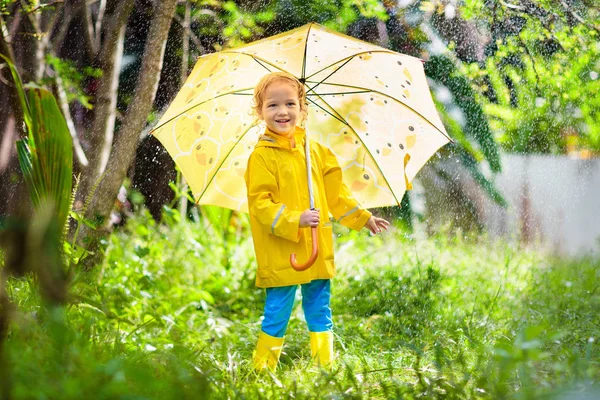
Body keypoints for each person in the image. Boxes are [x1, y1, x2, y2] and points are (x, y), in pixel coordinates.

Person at [244, 72, 389, 371]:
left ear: (302, 107)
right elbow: (260, 203)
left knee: (320, 308)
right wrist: (296, 219)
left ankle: (325, 367)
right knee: (278, 311)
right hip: (282, 250)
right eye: (272, 106)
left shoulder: (317, 151)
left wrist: (364, 218)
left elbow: (338, 196)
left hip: (317, 247)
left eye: (290, 104)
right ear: (260, 112)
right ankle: (262, 368)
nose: (282, 112)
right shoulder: (261, 157)